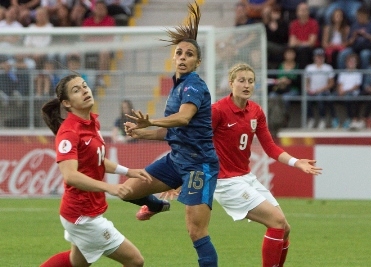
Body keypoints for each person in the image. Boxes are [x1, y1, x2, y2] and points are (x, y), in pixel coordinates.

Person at [122, 2, 220, 266]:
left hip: (199, 164)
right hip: (177, 159)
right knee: (126, 190)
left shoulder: (194, 86)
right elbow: (174, 131)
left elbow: (184, 117)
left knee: (196, 230)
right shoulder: (176, 87)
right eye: (179, 53)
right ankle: (156, 205)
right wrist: (142, 133)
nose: (183, 57)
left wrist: (150, 120)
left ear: (197, 61)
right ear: (173, 57)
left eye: (189, 54)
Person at [212, 63, 321, 267]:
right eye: (241, 80)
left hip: (246, 177)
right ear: (231, 83)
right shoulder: (217, 110)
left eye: (251, 81)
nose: (246, 85)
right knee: (277, 223)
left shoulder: (256, 111)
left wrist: (297, 162)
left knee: (284, 228)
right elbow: (197, 142)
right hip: (226, 182)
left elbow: (270, 147)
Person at [39, 74, 151, 267]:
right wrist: (110, 187)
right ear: (66, 103)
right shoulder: (69, 132)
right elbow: (70, 175)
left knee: (77, 262)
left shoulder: (92, 123)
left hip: (85, 210)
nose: (84, 90)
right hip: (82, 215)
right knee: (135, 261)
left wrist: (128, 171)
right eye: (76, 90)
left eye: (84, 86)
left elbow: (97, 159)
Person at [337, 6, 371, 70]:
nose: (359, 17)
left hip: (368, 48)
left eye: (361, 16)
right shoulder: (354, 26)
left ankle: (364, 76)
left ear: (366, 15)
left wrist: (366, 35)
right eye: (358, 16)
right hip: (355, 48)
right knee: (343, 54)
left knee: (364, 55)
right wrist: (354, 37)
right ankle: (341, 75)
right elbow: (347, 43)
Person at [304, 48, 337, 129]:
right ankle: (311, 119)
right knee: (306, 98)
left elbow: (331, 83)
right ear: (314, 57)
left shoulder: (328, 67)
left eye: (321, 56)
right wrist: (308, 89)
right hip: (312, 91)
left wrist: (320, 89)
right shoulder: (309, 67)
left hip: (324, 90)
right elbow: (306, 81)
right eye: (317, 56)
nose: (319, 58)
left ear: (324, 57)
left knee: (320, 98)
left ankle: (323, 119)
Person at [335, 53, 363, 129]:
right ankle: (335, 120)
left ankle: (351, 119)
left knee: (349, 97)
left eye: (353, 61)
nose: (351, 63)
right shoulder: (343, 72)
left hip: (353, 93)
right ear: (346, 63)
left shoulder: (358, 73)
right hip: (343, 92)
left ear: (356, 63)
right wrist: (340, 91)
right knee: (330, 97)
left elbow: (356, 86)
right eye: (349, 61)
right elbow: (340, 84)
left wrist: (345, 91)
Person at [288, 2, 319, 69]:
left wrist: (298, 42)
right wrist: (303, 43)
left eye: (305, 10)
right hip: (298, 48)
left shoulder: (313, 23)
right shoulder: (294, 24)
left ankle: (302, 77)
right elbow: (292, 43)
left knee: (303, 51)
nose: (303, 12)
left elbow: (311, 43)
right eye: (301, 10)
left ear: (308, 12)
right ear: (297, 12)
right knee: (287, 51)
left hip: (310, 49)